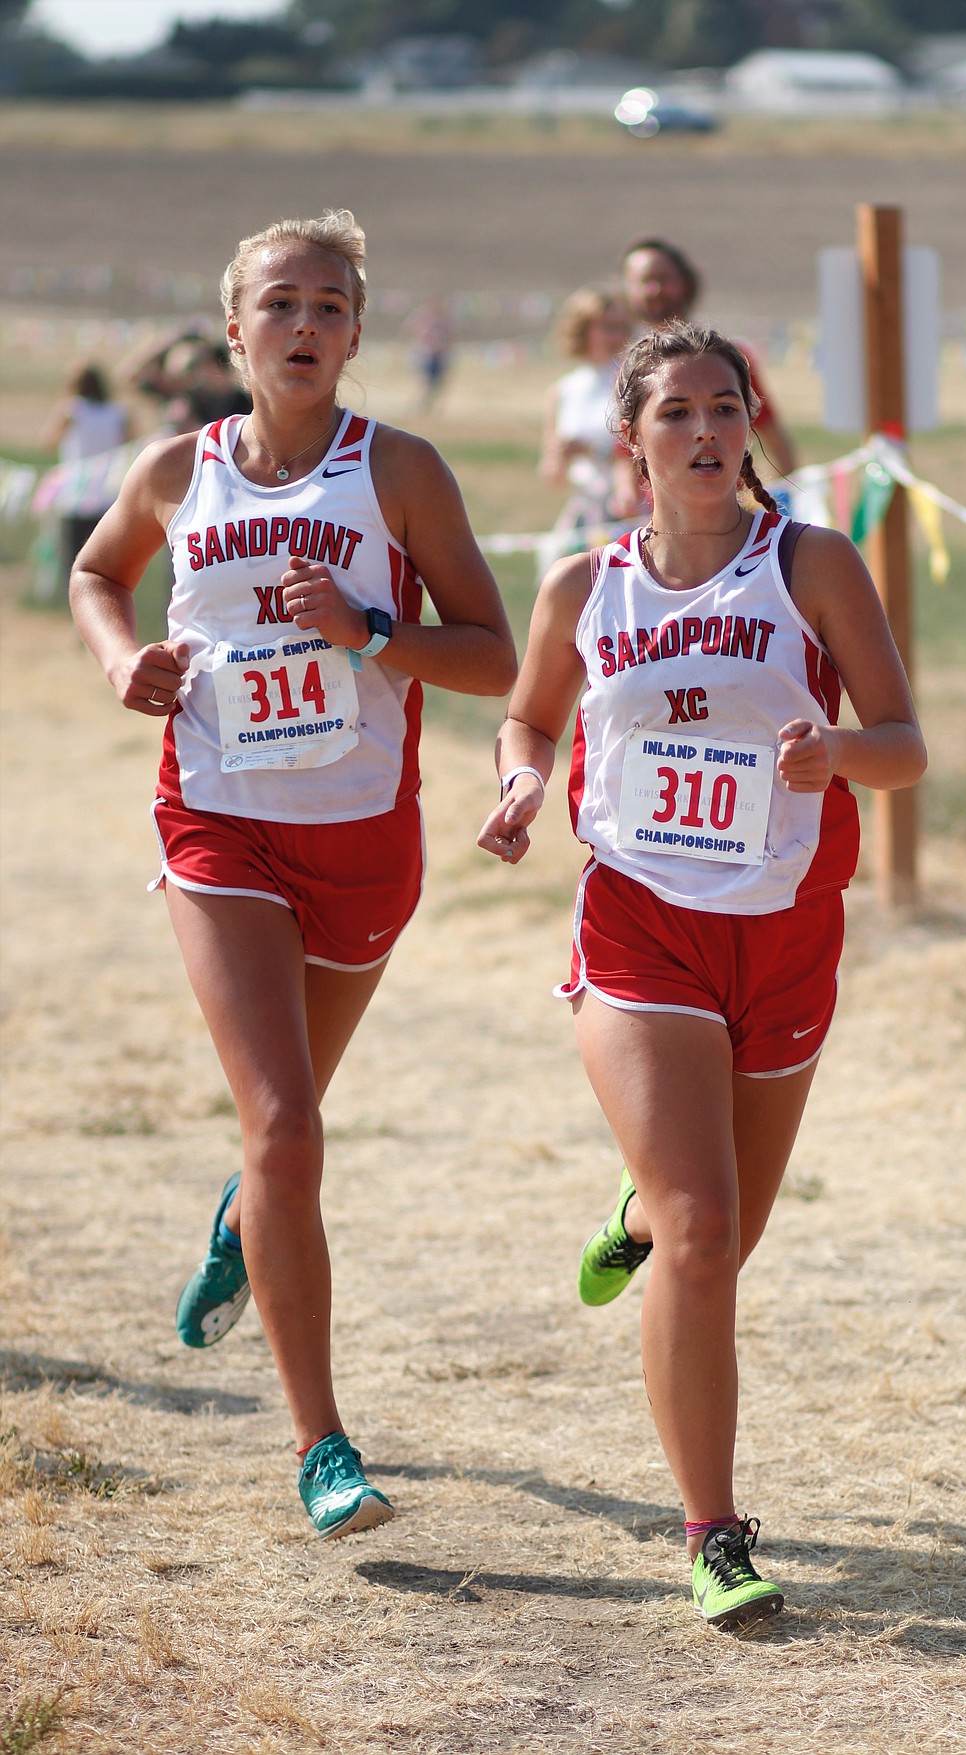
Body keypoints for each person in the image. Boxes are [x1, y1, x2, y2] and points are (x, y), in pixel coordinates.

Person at [70, 210, 516, 1540]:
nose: (304, 325)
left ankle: (240, 1214)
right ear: (234, 331)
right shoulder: (173, 470)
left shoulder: (403, 472)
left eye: (329, 306)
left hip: (363, 836)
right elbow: (97, 574)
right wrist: (116, 659)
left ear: (357, 334)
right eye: (279, 304)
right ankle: (322, 1440)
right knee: (289, 1127)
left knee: (284, 1127)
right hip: (219, 822)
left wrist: (375, 629)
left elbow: (495, 655)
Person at [478, 321, 925, 1634]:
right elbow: (528, 712)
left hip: (782, 931)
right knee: (707, 1229)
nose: (703, 427)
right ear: (632, 443)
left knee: (718, 1235)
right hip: (640, 925)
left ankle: (642, 1202)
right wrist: (515, 779)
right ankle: (713, 1529)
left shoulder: (812, 564)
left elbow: (901, 745)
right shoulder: (582, 589)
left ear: (747, 425)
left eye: (723, 405)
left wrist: (832, 755)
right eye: (673, 410)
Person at [620, 238, 796, 478]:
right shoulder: (627, 367)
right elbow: (623, 457)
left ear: (685, 282)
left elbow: (777, 445)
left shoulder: (723, 361)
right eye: (643, 281)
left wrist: (767, 503)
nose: (654, 290)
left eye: (662, 278)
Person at [537, 287, 632, 566]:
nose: (616, 336)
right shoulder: (563, 391)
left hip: (625, 508)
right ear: (583, 329)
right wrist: (560, 457)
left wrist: (590, 450)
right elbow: (552, 476)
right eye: (606, 327)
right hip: (584, 506)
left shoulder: (631, 382)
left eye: (620, 327)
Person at [40, 364, 131, 595]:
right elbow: (128, 444)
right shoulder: (117, 413)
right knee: (104, 559)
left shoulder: (72, 410)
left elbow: (48, 441)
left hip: (75, 494)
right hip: (108, 493)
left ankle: (74, 608)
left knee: (74, 557)